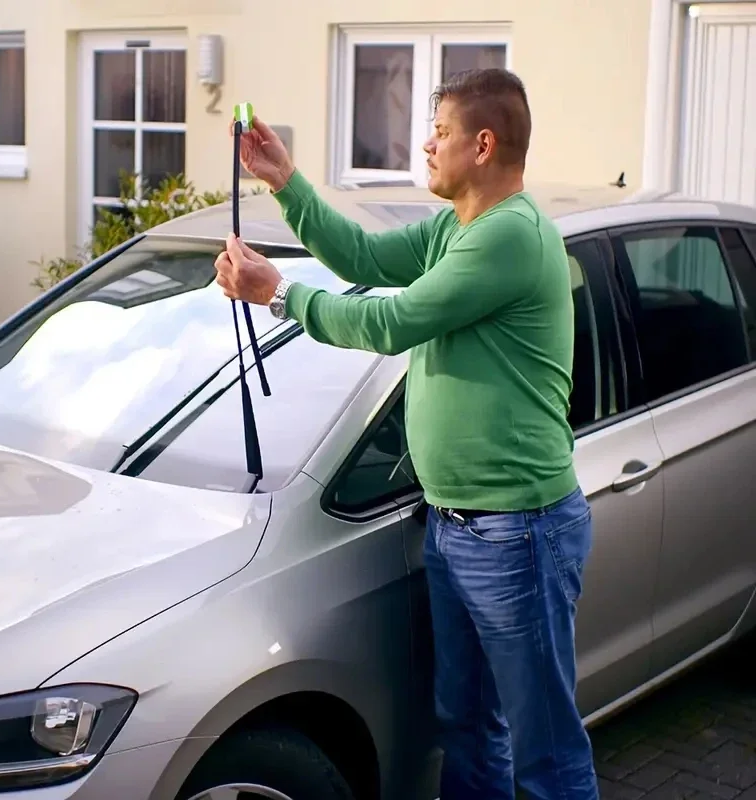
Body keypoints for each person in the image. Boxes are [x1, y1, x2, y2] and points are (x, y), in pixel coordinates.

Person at [214, 68, 599, 800]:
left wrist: (279, 294)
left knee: (545, 750)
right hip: (459, 528)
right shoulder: (458, 229)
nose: (426, 144)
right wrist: (285, 180)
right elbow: (362, 260)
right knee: (468, 725)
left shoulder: (508, 238)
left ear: (482, 146)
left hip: (517, 533)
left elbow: (391, 322)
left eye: (441, 133)